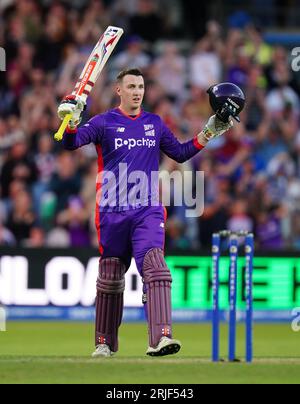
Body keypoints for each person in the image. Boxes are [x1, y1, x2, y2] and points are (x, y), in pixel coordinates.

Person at [57, 68, 233, 358]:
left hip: (147, 209)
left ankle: (161, 338)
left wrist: (209, 131)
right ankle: (104, 343)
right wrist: (72, 122)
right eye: (131, 86)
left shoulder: (154, 123)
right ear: (119, 91)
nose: (137, 91)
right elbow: (70, 143)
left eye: (140, 86)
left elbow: (179, 152)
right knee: (111, 277)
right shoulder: (103, 122)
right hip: (111, 211)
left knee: (156, 268)